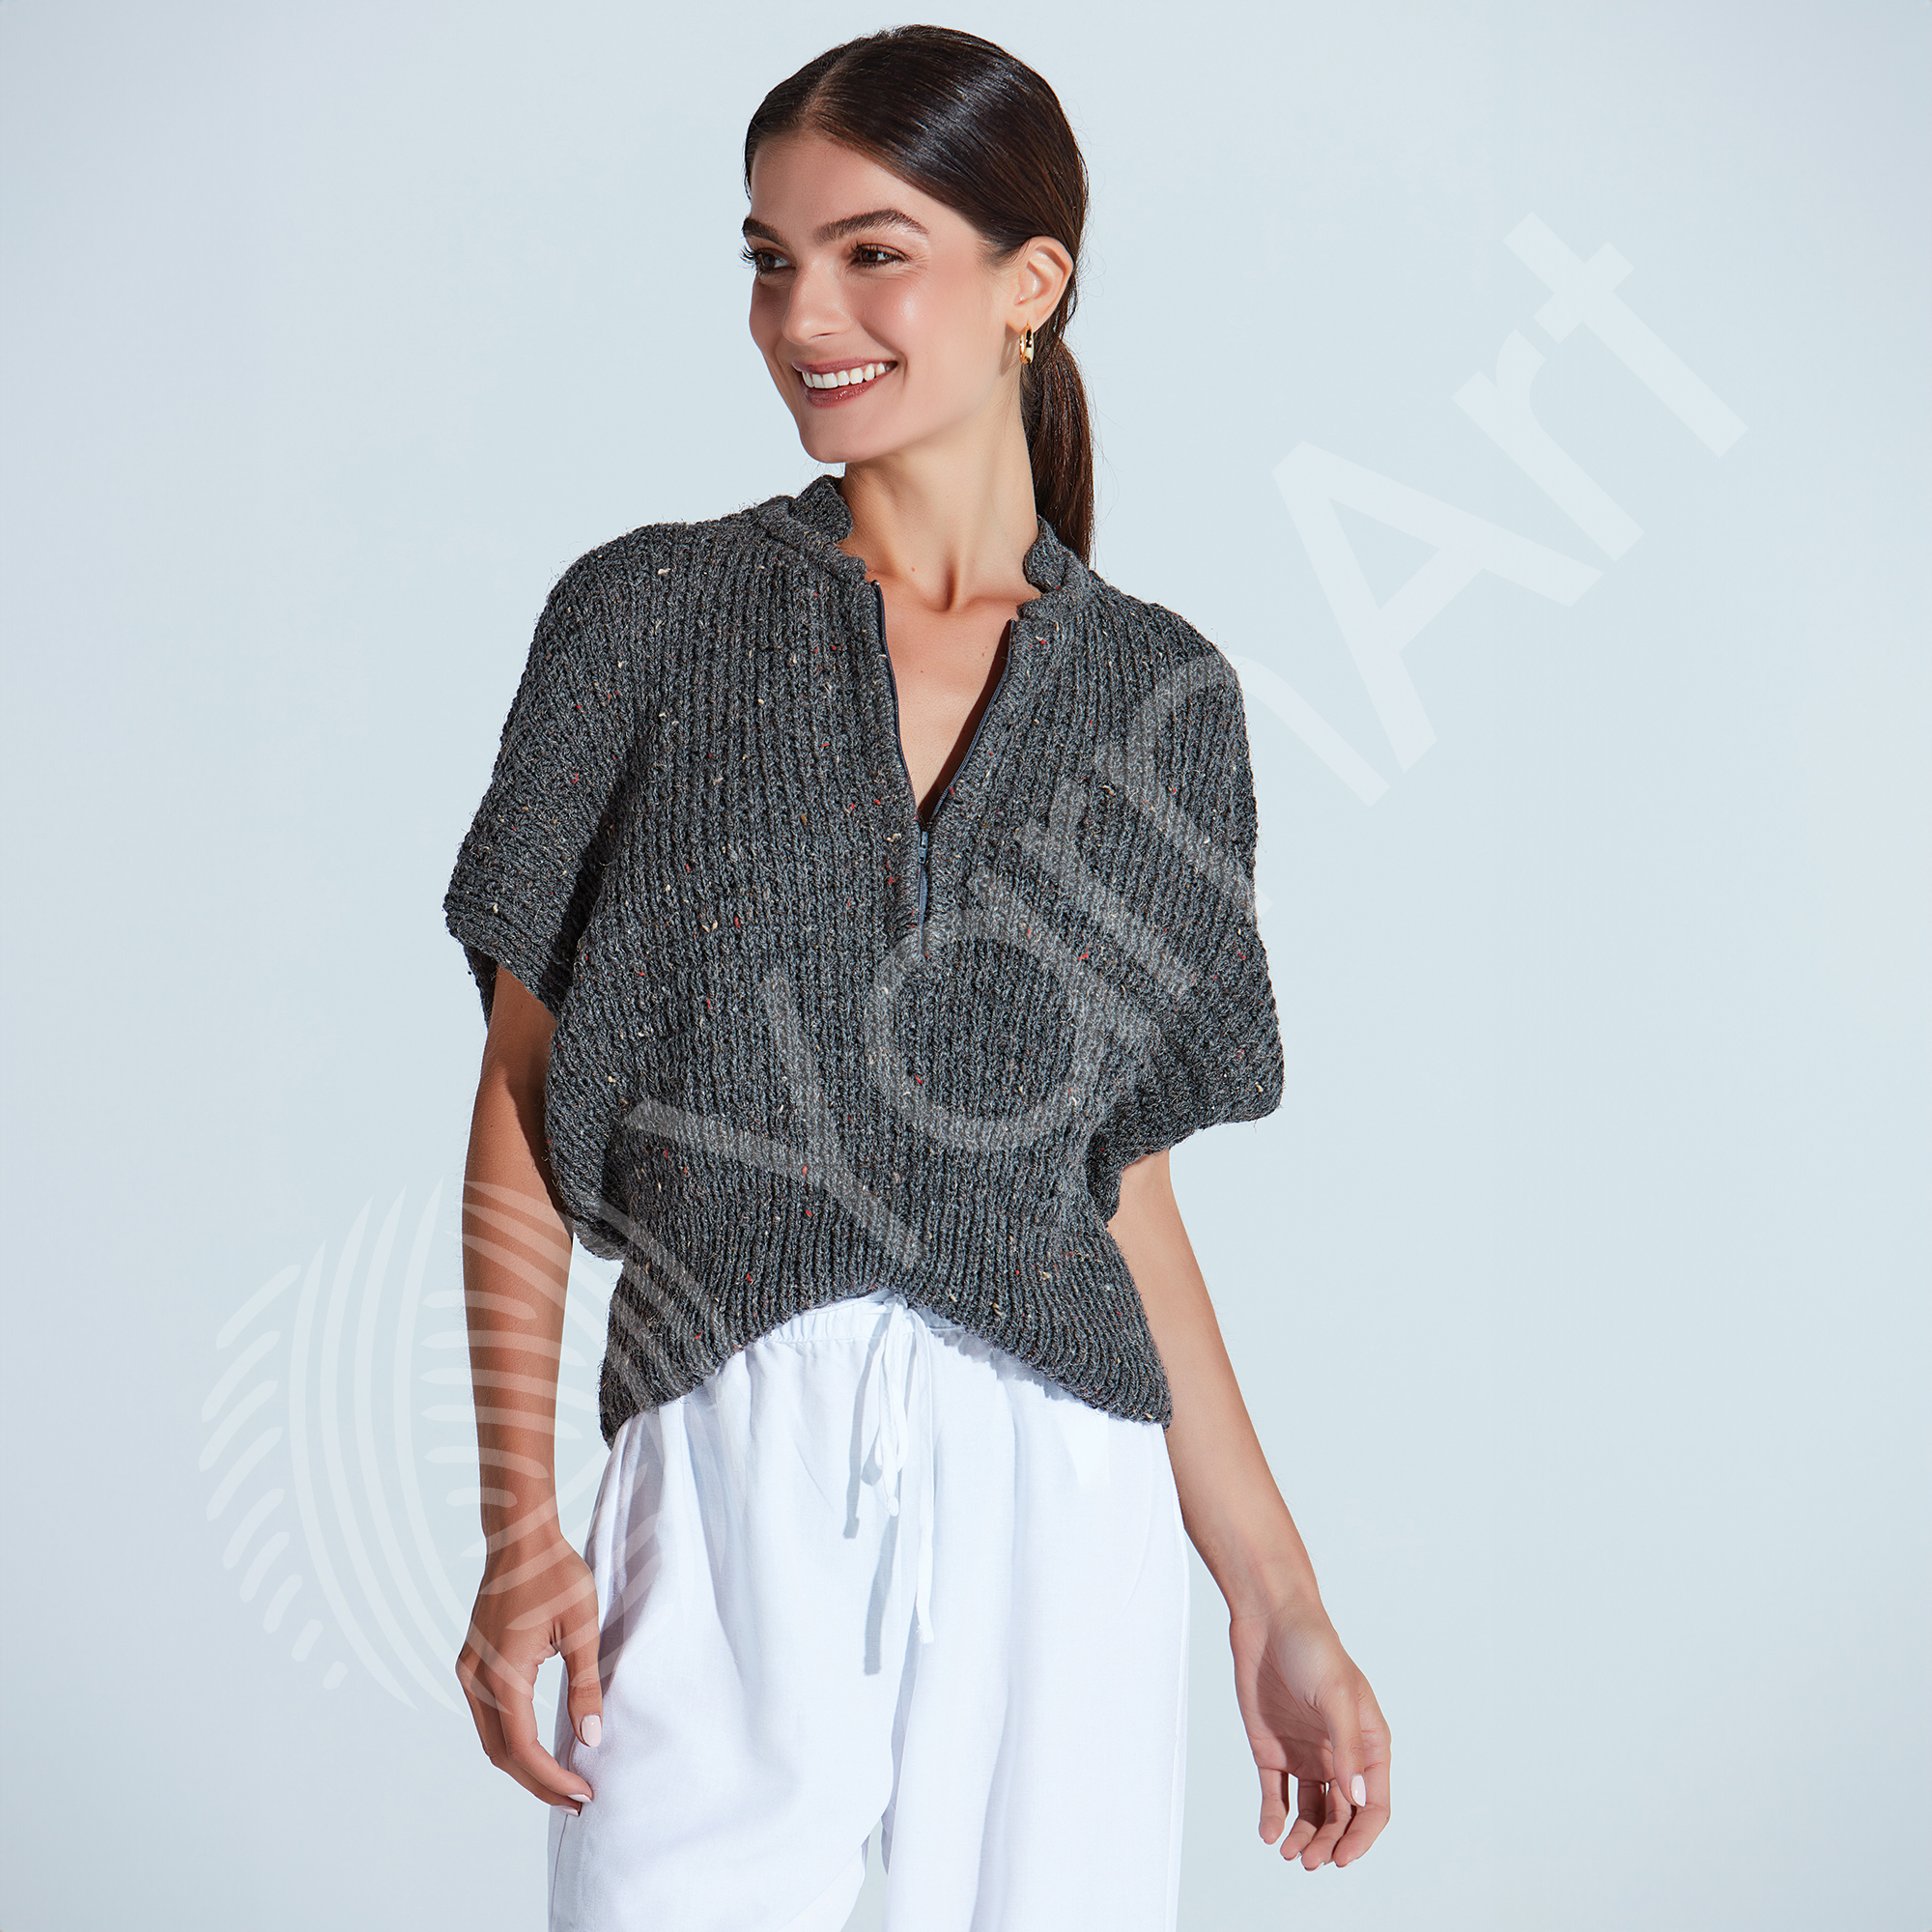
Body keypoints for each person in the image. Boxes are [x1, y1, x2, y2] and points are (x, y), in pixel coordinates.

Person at [446, 25, 1390, 1930]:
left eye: (870, 252)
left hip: (1059, 1479)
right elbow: (524, 1110)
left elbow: (1119, 1195)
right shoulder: (644, 621)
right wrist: (518, 1522)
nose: (803, 313)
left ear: (1030, 282)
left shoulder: (1160, 702)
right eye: (769, 258)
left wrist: (1277, 1596)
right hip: (721, 1443)